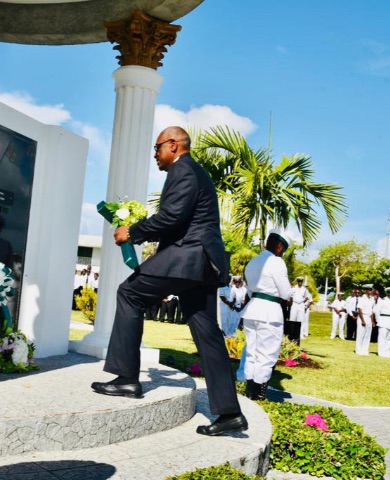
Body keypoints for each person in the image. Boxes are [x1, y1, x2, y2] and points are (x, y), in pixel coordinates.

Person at [91, 127, 246, 436]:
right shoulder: (194, 172)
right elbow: (178, 219)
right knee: (206, 330)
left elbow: (173, 216)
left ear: (174, 145)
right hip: (201, 263)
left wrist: (131, 232)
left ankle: (126, 379)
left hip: (188, 257)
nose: (155, 153)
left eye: (158, 147)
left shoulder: (183, 169)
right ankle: (230, 413)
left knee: (129, 293)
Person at [240, 229, 292, 401]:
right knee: (267, 353)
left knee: (252, 351)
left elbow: (248, 288)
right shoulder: (277, 262)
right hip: (269, 311)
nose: (282, 253)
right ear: (279, 246)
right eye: (283, 249)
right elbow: (286, 293)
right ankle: (259, 392)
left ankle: (249, 390)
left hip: (252, 309)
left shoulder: (253, 261)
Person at [288, 277, 312, 343]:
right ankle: (291, 335)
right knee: (292, 319)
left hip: (301, 304)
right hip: (294, 304)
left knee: (300, 320)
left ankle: (299, 335)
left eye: (301, 281)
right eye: (299, 281)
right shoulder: (293, 288)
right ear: (297, 282)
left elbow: (307, 297)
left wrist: (303, 301)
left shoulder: (304, 289)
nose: (300, 283)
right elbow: (289, 296)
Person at [375, 287, 390, 357]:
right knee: (382, 338)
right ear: (387, 293)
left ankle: (387, 352)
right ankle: (381, 352)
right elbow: (376, 311)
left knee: (389, 339)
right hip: (383, 321)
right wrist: (378, 320)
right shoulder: (382, 300)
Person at [355, 284, 375, 356]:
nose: (371, 291)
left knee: (367, 335)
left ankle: (365, 350)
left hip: (369, 317)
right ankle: (358, 350)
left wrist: (372, 321)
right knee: (360, 334)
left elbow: (372, 311)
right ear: (366, 291)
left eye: (371, 290)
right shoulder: (362, 299)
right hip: (362, 317)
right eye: (370, 290)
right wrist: (363, 320)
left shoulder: (371, 299)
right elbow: (360, 310)